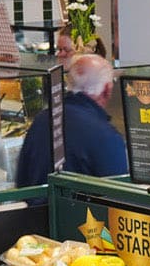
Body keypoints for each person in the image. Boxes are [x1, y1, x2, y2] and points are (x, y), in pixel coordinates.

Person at [14, 54, 128, 188]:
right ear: (107, 90)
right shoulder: (107, 136)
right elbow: (119, 193)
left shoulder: (41, 120)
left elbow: (21, 180)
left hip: (36, 202)